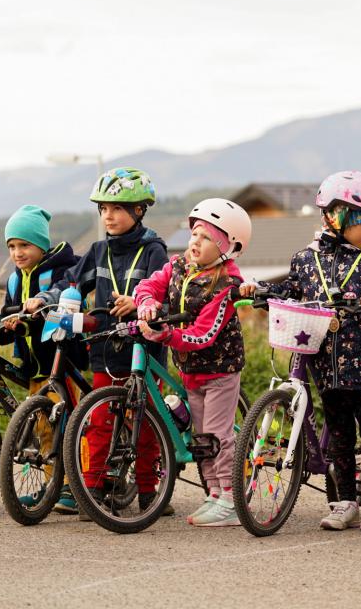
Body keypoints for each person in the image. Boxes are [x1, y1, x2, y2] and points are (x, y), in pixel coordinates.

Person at [243, 171, 361, 532]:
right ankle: (345, 501)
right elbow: (290, 288)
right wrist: (258, 289)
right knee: (339, 434)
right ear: (338, 216)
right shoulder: (305, 260)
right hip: (325, 364)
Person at [49, 167, 170, 517]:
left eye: (117, 208)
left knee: (145, 424)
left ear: (139, 210)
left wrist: (140, 303)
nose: (108, 216)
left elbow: (165, 293)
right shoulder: (98, 250)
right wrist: (45, 299)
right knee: (100, 420)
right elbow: (71, 282)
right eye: (103, 208)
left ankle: (149, 491)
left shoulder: (154, 251)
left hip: (144, 351)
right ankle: (93, 489)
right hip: (105, 349)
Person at [134, 198, 251, 527]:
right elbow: (149, 284)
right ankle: (214, 493)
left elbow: (204, 334)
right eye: (194, 234)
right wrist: (146, 303)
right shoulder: (179, 266)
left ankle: (231, 499)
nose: (195, 242)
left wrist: (166, 335)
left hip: (219, 370)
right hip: (191, 370)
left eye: (206, 238)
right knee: (201, 437)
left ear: (227, 248)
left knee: (216, 435)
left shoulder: (226, 285)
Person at [0, 204, 85, 512]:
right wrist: (10, 325)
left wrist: (41, 301)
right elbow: (14, 315)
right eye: (12, 246)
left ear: (41, 245)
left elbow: (67, 292)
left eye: (24, 245)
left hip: (61, 363)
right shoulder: (15, 280)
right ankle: (53, 486)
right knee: (44, 428)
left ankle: (76, 486)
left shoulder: (60, 269)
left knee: (67, 425)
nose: (17, 252)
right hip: (36, 366)